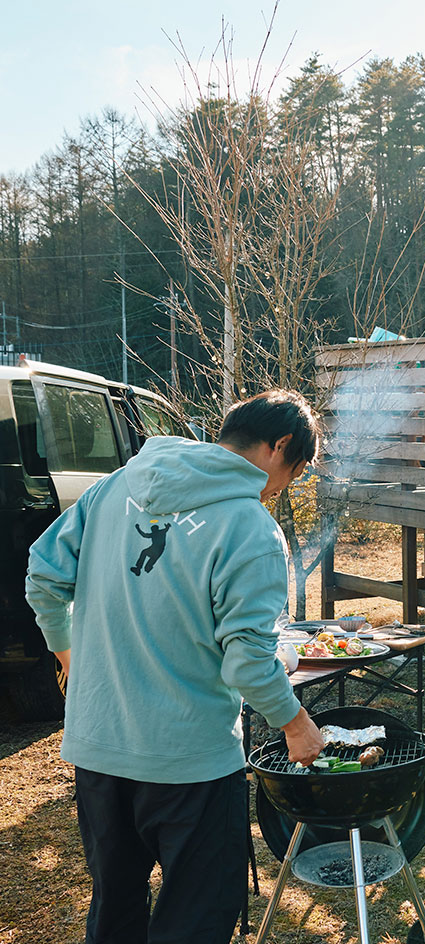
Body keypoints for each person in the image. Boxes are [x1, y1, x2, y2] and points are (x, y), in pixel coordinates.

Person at [27, 389, 326, 944]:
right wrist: (296, 723)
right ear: (278, 445)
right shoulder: (252, 529)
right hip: (189, 765)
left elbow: (43, 577)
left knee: (114, 910)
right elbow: (248, 662)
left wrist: (69, 655)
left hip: (98, 750)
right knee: (197, 918)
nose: (286, 486)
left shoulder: (115, 486)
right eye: (296, 470)